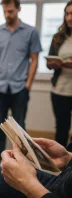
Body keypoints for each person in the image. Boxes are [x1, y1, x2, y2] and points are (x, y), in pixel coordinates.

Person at [0, 0, 42, 162]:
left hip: (20, 87)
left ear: (19, 9)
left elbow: (35, 60)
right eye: (4, 11)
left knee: (19, 127)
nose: (7, 15)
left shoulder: (31, 32)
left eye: (10, 11)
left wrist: (28, 84)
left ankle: (19, 158)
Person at [46, 1, 72, 150]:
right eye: (67, 14)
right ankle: (60, 166)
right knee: (61, 129)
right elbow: (49, 62)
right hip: (60, 90)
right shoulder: (58, 37)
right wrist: (54, 63)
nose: (69, 17)